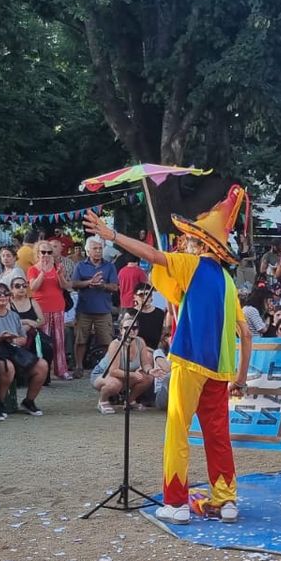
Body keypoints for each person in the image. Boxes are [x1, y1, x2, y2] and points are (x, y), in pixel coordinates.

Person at [85, 185, 253, 525]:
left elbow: (152, 256)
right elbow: (246, 334)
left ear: (202, 244)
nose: (185, 242)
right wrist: (241, 378)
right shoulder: (229, 281)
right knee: (217, 435)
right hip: (221, 371)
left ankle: (175, 503)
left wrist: (112, 234)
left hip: (190, 361)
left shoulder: (191, 265)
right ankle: (227, 501)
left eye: (191, 238)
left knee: (178, 430)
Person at [0, 282, 49, 417]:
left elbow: (23, 338)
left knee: (42, 365)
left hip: (13, 349)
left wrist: (14, 340)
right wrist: (0, 337)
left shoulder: (13, 316)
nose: (3, 296)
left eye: (6, 294)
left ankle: (29, 401)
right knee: (7, 367)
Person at [91, 310, 156, 413]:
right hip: (103, 374)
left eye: (135, 328)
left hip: (126, 375)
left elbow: (145, 364)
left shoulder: (140, 341)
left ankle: (129, 401)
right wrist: (133, 375)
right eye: (127, 328)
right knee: (115, 384)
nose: (131, 331)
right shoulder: (115, 345)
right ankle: (102, 401)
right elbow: (113, 371)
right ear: (121, 330)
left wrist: (150, 371)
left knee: (148, 378)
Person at [71, 237, 117, 377]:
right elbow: (73, 284)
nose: (98, 251)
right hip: (84, 309)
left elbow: (115, 287)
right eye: (95, 249)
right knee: (80, 340)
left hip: (103, 310)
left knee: (106, 341)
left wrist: (103, 285)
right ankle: (79, 367)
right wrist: (90, 282)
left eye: (100, 249)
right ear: (88, 251)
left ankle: (108, 366)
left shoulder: (110, 266)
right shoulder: (80, 266)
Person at [27, 242, 72, 379]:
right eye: (43, 252)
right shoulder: (33, 269)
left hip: (58, 307)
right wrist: (43, 272)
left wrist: (59, 275)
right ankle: (43, 372)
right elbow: (33, 287)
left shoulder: (57, 267)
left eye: (49, 252)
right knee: (44, 342)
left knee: (59, 340)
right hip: (41, 309)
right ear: (38, 253)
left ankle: (61, 370)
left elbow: (65, 286)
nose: (46, 255)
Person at [132, 284, 168, 353]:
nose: (145, 297)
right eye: (141, 295)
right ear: (135, 297)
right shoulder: (131, 314)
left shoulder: (160, 313)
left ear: (151, 296)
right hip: (136, 351)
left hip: (156, 351)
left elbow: (164, 334)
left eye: (148, 294)